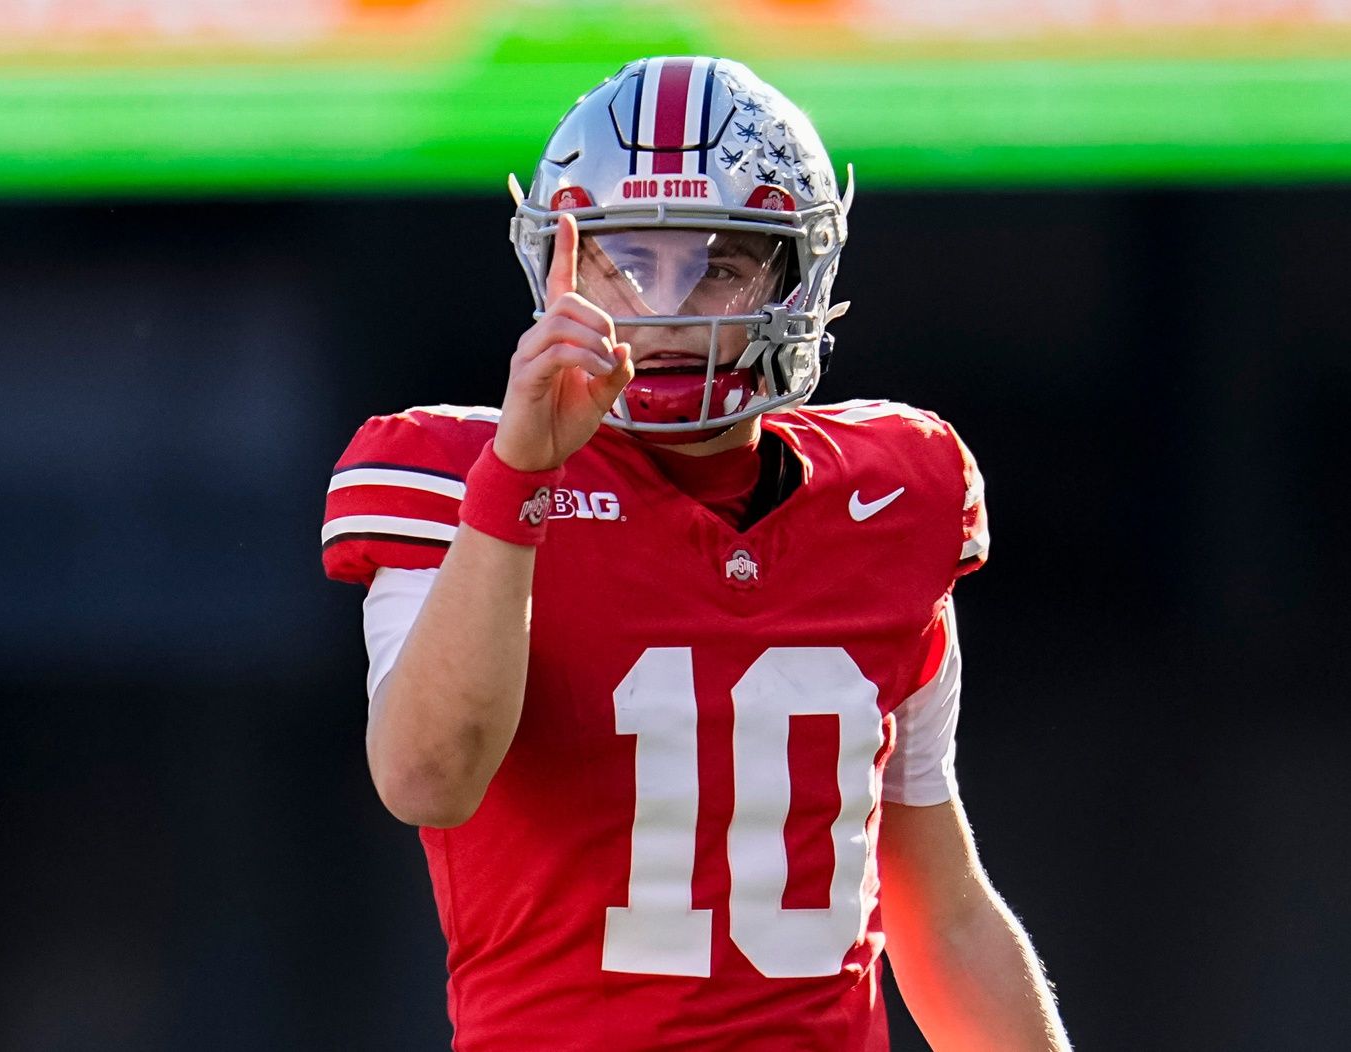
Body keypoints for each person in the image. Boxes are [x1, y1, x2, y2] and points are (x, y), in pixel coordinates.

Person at [321, 56, 1069, 1051]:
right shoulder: (451, 477)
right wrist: (515, 477)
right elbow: (425, 778)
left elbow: (937, 908)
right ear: (559, 265)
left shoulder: (893, 497)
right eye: (626, 262)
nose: (666, 308)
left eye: (718, 264)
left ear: (797, 277)